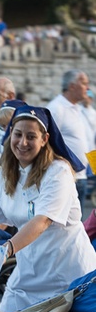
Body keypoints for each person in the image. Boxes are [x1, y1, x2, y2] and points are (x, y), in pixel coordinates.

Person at [0, 105, 96, 312]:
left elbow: (42, 220)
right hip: (28, 272)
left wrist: (7, 249)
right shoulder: (6, 173)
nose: (23, 142)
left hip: (67, 273)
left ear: (44, 139)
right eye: (18, 134)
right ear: (10, 134)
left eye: (31, 136)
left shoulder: (58, 171)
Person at [47, 70, 90, 213]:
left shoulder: (77, 109)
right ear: (72, 86)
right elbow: (47, 142)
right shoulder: (56, 108)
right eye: (84, 83)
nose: (88, 88)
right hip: (66, 179)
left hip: (80, 177)